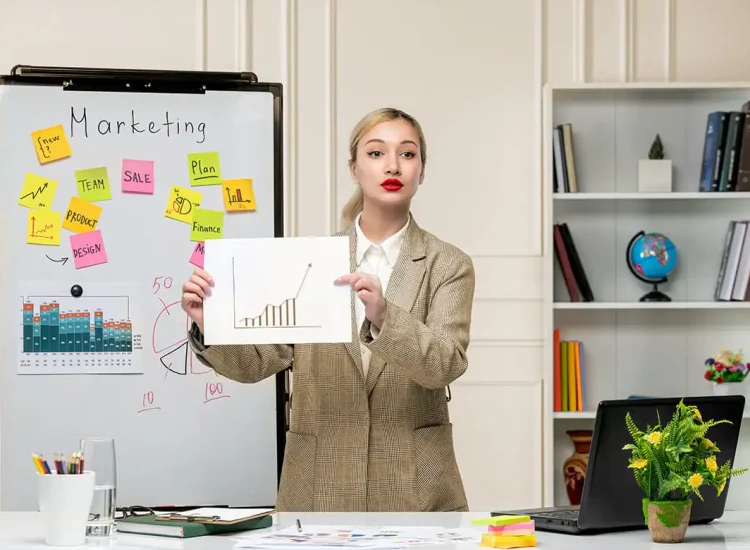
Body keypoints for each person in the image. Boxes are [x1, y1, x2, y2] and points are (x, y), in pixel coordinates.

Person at [181, 107, 476, 512]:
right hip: (319, 488)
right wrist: (208, 321)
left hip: (416, 490)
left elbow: (445, 364)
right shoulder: (311, 259)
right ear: (354, 169)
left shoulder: (449, 264)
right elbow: (257, 363)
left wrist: (385, 317)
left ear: (421, 171)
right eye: (376, 153)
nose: (393, 165)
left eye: (407, 154)